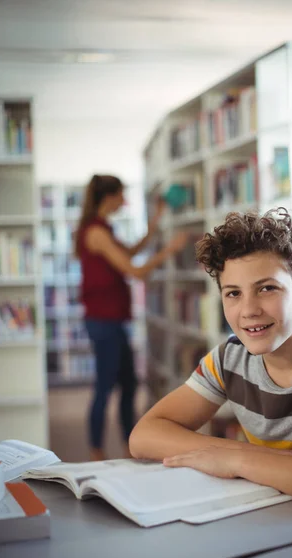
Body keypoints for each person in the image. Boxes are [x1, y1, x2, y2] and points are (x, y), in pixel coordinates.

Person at [129, 207, 292, 532]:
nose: (249, 310)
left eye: (267, 288)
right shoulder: (230, 358)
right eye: (233, 294)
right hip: (276, 530)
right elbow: (144, 435)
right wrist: (241, 453)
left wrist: (237, 462)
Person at [75, 174, 187, 461]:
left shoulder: (104, 229)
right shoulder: (96, 232)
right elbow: (134, 271)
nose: (124, 201)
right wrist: (168, 251)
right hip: (103, 322)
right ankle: (96, 452)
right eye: (121, 195)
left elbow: (132, 251)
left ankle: (130, 445)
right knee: (105, 386)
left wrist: (157, 219)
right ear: (108, 197)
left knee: (128, 383)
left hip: (112, 320)